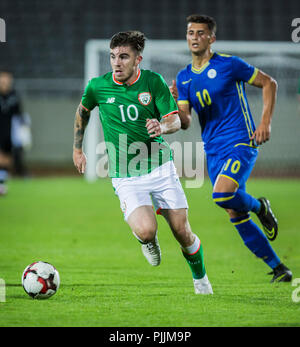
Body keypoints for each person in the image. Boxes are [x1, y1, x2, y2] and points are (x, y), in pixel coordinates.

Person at [72, 31, 213, 294]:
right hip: (125, 174)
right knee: (147, 231)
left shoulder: (153, 81)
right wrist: (78, 149)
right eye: (113, 56)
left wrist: (161, 125)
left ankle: (201, 280)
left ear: (138, 59)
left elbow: (174, 120)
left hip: (160, 167)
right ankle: (148, 240)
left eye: (124, 57)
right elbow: (83, 111)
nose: (117, 62)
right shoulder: (97, 86)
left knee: (182, 232)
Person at [170, 14, 292, 283]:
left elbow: (269, 83)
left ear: (211, 38)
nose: (194, 37)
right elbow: (186, 122)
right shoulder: (184, 77)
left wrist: (265, 123)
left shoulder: (229, 64)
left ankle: (261, 207)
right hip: (213, 150)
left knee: (222, 195)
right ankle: (279, 268)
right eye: (191, 32)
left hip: (241, 141)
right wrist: (172, 102)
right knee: (235, 212)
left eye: (201, 33)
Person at [0, 70, 28, 195]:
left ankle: (1, 184)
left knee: (7, 159)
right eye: (3, 78)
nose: (5, 81)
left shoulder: (14, 96)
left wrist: (24, 133)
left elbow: (19, 115)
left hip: (9, 133)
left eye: (7, 79)